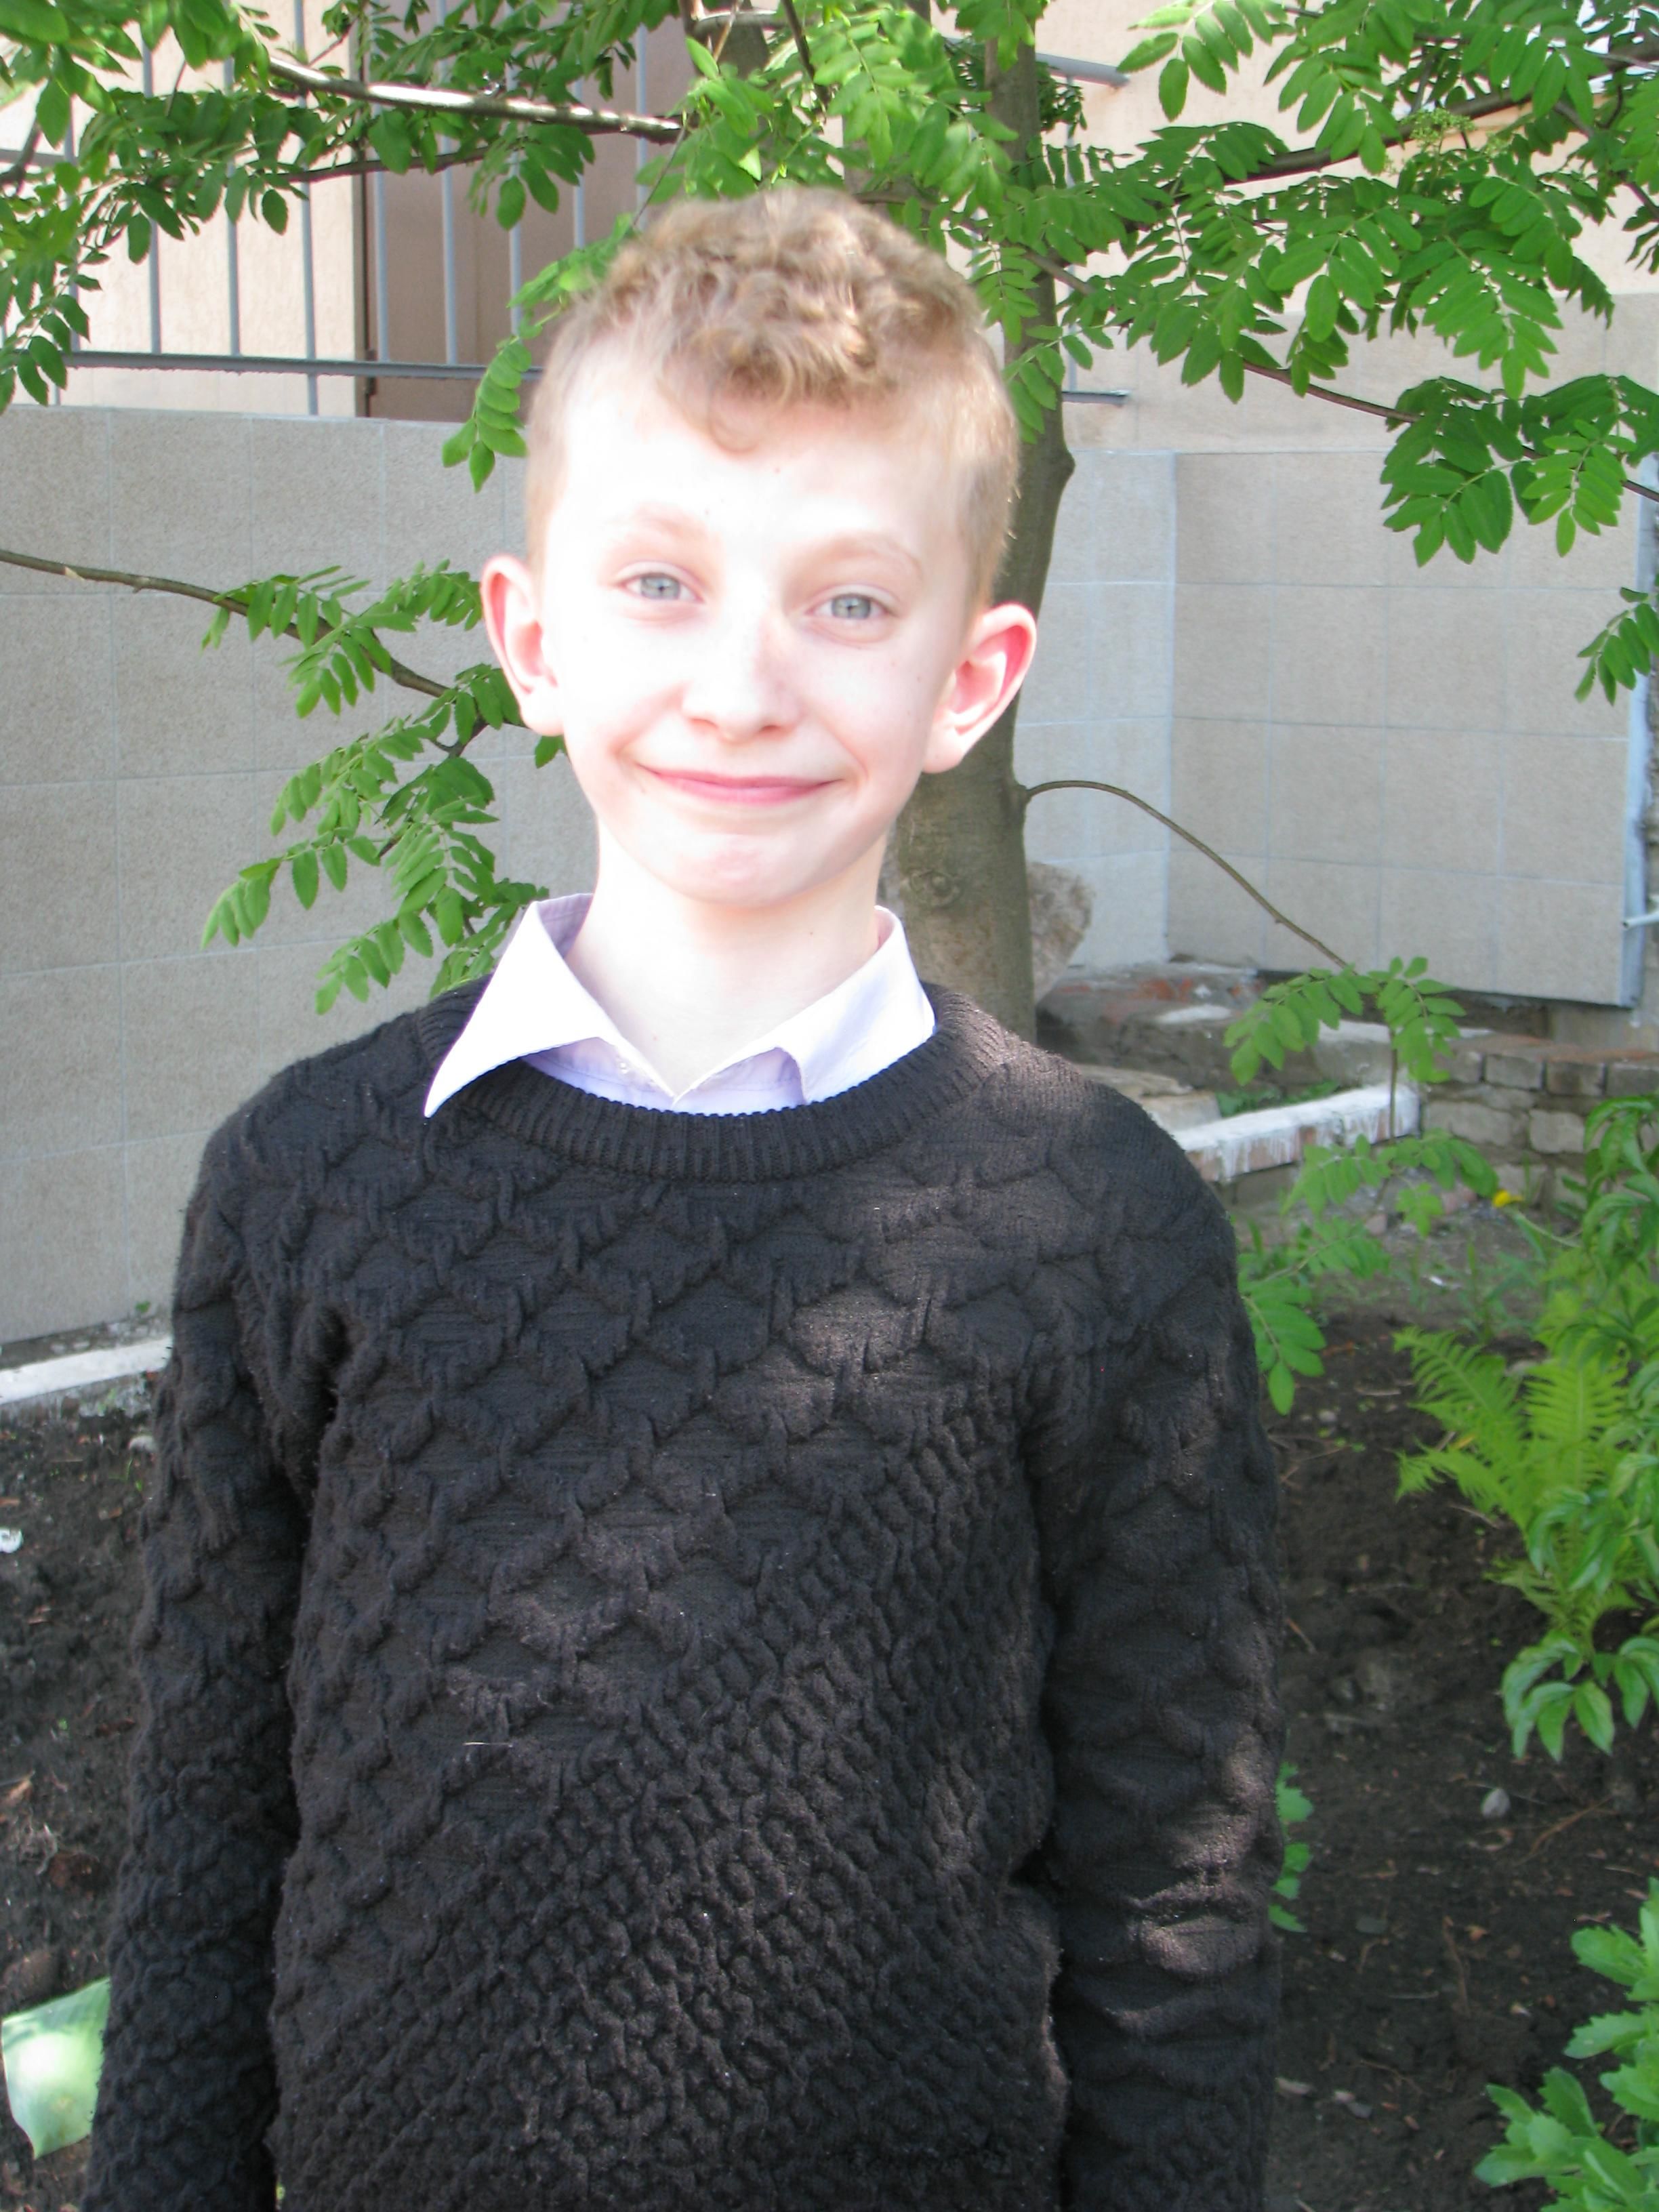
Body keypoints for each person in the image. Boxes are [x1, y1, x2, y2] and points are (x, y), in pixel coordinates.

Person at [83, 187, 1283, 2212]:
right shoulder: (309, 1182)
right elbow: (206, 1829)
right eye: (658, 583)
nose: (741, 686)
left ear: (972, 676)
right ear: (532, 641)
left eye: (847, 604)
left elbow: (1177, 1886)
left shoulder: (1095, 1230)